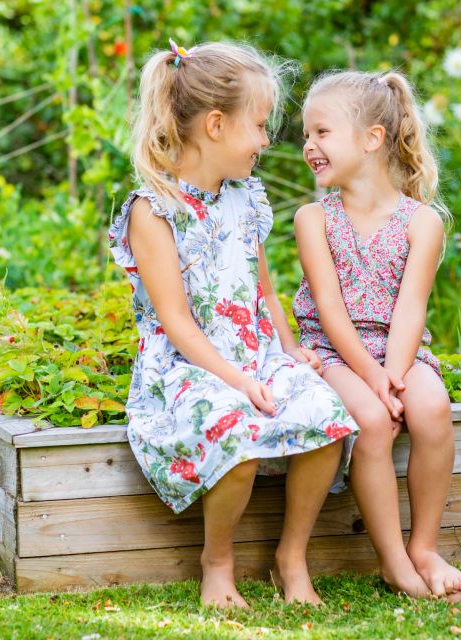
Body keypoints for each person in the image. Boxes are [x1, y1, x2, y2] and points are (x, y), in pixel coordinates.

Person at [108, 40, 359, 609]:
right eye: (261, 125)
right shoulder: (155, 210)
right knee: (236, 433)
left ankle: (291, 558)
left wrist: (290, 350)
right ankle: (216, 562)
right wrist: (237, 381)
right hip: (189, 364)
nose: (268, 141)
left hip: (257, 353)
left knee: (327, 419)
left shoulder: (246, 200)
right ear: (217, 125)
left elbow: (263, 288)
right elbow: (174, 321)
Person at [292, 70, 461, 602]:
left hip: (397, 351)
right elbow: (329, 311)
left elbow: (410, 310)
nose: (309, 146)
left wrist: (394, 376)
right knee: (372, 423)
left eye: (322, 133)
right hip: (333, 352)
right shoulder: (313, 219)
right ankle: (393, 559)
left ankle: (424, 546)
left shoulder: (423, 221)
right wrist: (374, 380)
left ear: (372, 138)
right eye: (307, 135)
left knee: (431, 407)